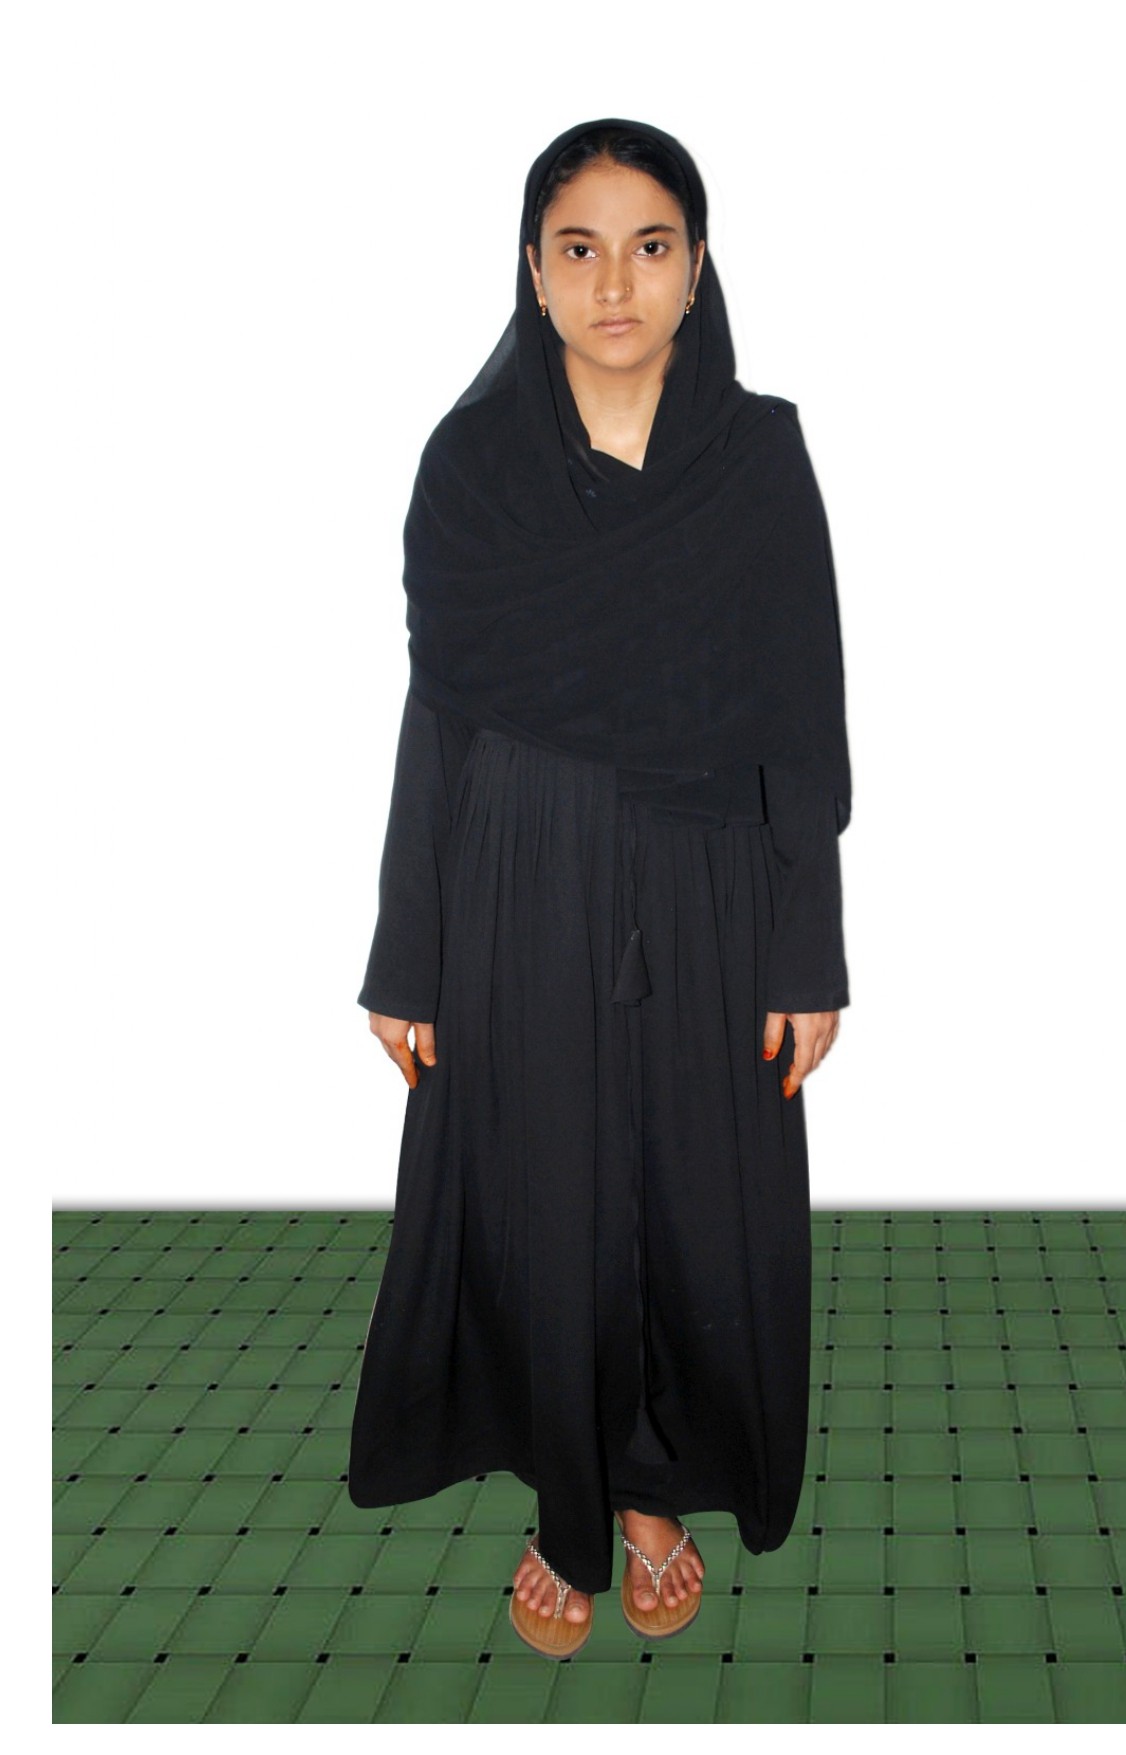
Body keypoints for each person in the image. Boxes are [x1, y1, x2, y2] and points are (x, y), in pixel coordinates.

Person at [347, 117, 852, 1661]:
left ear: (697, 269)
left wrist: (807, 950)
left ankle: (653, 1490)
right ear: (533, 269)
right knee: (541, 1197)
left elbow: (800, 716)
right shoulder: (472, 468)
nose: (615, 282)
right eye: (580, 248)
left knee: (696, 1200)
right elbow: (440, 717)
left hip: (709, 881)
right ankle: (567, 1505)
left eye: (649, 246)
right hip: (518, 869)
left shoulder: (758, 459)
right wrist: (408, 953)